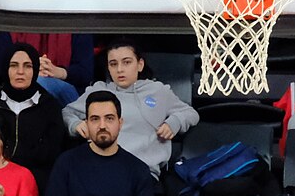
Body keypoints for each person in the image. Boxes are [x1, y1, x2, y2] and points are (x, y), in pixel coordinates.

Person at [60, 40, 198, 175]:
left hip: (143, 172)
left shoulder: (158, 91)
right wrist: (75, 124)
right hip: (100, 169)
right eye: (113, 64)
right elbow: (66, 112)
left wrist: (174, 122)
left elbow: (190, 113)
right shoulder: (98, 92)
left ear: (140, 64)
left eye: (127, 62)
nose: (119, 69)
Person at [0, 46, 69, 187]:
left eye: (27, 66)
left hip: (33, 186)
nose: (20, 72)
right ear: (6, 69)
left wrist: (16, 173)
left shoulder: (50, 106)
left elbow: (52, 155)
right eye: (14, 65)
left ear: (35, 70)